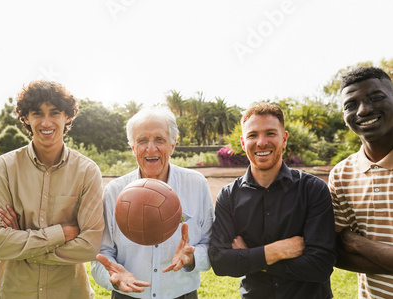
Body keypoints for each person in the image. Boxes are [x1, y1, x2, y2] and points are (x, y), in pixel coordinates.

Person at [0, 80, 104, 299]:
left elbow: (89, 246)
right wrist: (61, 234)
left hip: (70, 293)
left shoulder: (87, 171)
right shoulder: (5, 167)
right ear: (26, 118)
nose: (46, 122)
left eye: (54, 113)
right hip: (14, 293)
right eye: (37, 113)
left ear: (67, 116)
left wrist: (21, 243)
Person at [208, 102, 336, 298]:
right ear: (243, 143)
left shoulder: (313, 189)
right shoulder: (228, 196)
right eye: (252, 135)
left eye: (270, 133)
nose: (261, 142)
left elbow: (320, 266)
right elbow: (219, 261)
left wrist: (250, 257)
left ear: (284, 139)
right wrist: (276, 251)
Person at [91, 106, 214, 299]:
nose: (151, 148)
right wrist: (112, 275)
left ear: (173, 144)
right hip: (126, 295)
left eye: (159, 139)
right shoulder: (114, 191)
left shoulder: (196, 184)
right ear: (133, 148)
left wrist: (192, 258)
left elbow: (211, 245)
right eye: (142, 141)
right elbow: (103, 253)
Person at [329, 66, 393, 298]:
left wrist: (356, 243)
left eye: (376, 97)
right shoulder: (341, 175)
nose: (364, 110)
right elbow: (334, 252)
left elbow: (344, 243)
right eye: (351, 105)